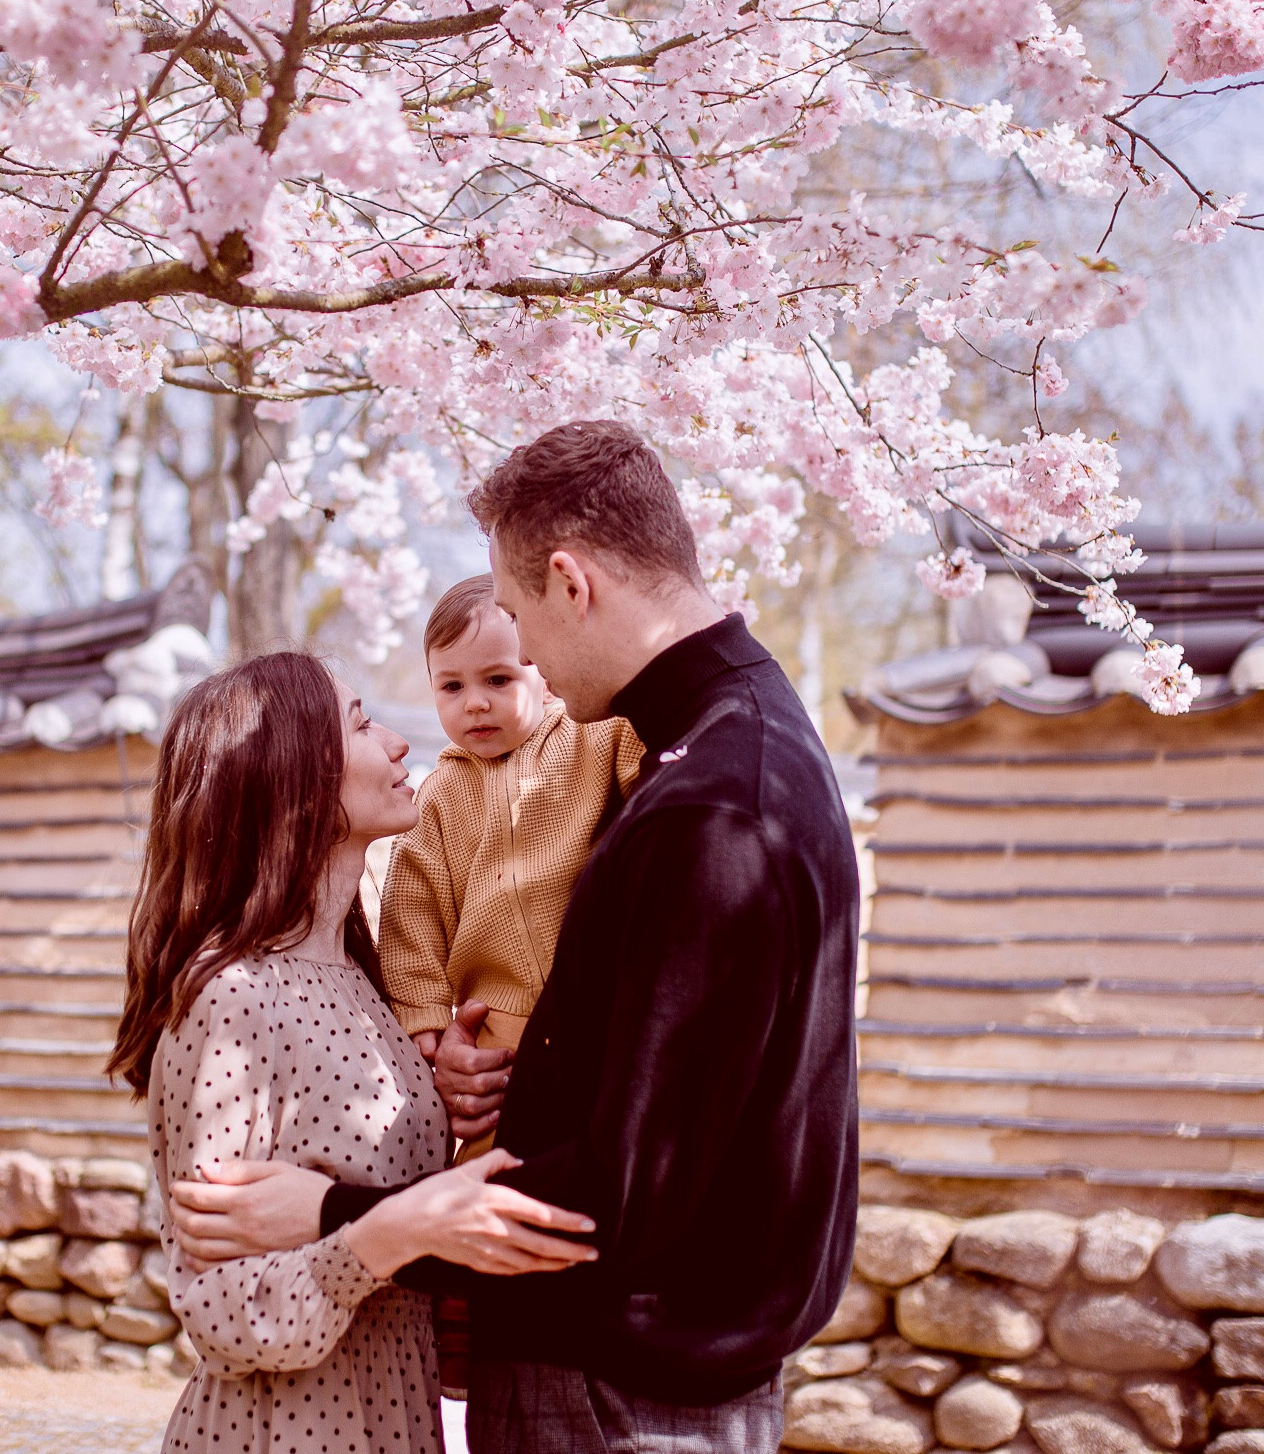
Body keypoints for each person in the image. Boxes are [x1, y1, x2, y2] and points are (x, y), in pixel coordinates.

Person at [171, 422, 862, 1454]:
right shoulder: (710, 759)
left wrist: (338, 1219)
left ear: (570, 582)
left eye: (517, 610)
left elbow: (612, 1200)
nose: (519, 654)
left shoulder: (715, 809)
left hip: (615, 1390)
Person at [109, 652, 598, 1454]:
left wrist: (454, 1093)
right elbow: (221, 1312)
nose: (401, 743)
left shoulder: (366, 983)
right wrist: (384, 1236)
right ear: (295, 776)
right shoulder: (230, 1000)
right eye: (362, 721)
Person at [381, 572, 643, 1154]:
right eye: (451, 687)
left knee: (606, 1149)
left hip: (602, 1004)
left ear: (542, 672)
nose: (475, 702)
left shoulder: (596, 736)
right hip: (498, 1027)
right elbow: (413, 910)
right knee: (498, 1156)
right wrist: (426, 1021)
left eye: (498, 679)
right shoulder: (441, 792)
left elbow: (659, 792)